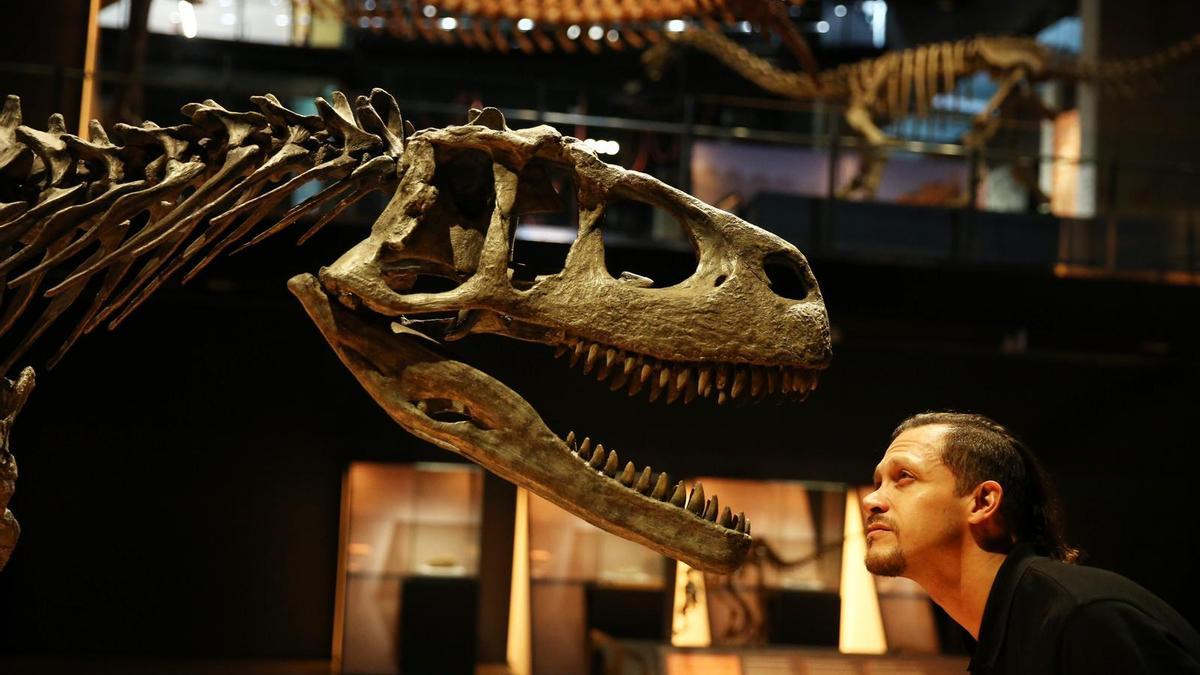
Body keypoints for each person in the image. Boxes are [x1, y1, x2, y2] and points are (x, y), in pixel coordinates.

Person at [861, 411, 1200, 674]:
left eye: (903, 477)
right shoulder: (1012, 631)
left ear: (982, 502)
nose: (872, 499)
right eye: (877, 482)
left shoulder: (1084, 620)